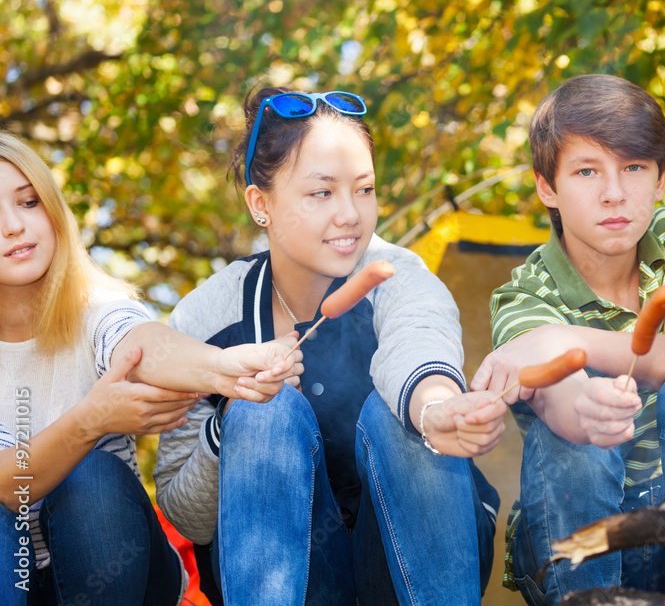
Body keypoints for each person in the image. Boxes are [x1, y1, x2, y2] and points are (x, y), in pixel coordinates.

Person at [154, 86, 506, 605]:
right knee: (259, 411)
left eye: (364, 189)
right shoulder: (205, 317)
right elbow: (186, 517)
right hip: (293, 578)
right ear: (261, 204)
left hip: (413, 561)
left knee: (398, 415)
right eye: (322, 192)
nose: (350, 215)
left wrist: (432, 408)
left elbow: (418, 336)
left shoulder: (398, 275)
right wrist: (229, 414)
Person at [470, 74, 665, 604]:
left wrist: (564, 339)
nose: (614, 193)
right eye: (587, 171)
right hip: (584, 538)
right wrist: (585, 400)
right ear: (547, 187)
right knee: (575, 441)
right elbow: (565, 408)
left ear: (659, 180)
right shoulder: (523, 296)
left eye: (633, 168)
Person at [0, 131, 301, 606]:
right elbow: (10, 484)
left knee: (91, 477)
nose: (14, 226)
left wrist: (221, 367)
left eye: (29, 201)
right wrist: (91, 419)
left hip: (119, 570)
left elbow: (141, 343)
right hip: (17, 581)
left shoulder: (94, 307)